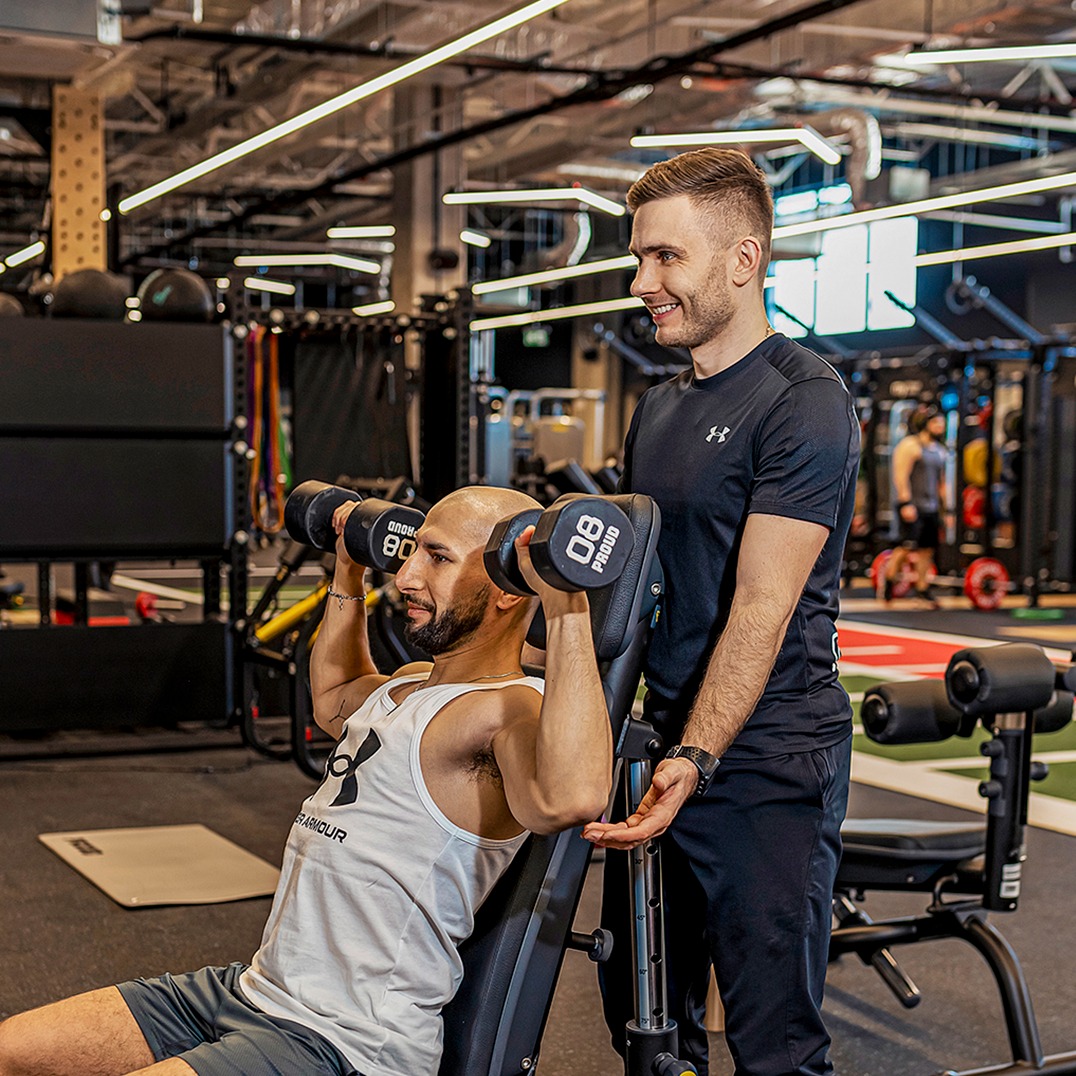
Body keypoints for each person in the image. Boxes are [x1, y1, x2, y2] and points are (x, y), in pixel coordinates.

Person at [0, 485, 613, 1076]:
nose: (406, 578)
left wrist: (565, 599)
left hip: (344, 1040)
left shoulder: (510, 708)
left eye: (438, 558)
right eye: (415, 549)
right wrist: (347, 573)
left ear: (508, 588)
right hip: (250, 991)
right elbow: (334, 696)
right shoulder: (409, 684)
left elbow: (572, 797)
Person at [583, 147, 860, 1076]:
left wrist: (693, 759)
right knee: (644, 1018)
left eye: (665, 257)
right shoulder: (658, 409)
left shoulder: (804, 403)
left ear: (742, 261)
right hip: (663, 744)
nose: (641, 281)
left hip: (766, 757)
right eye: (639, 257)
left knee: (775, 1045)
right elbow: (643, 590)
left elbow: (762, 607)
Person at [881, 404, 950, 608]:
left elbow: (942, 482)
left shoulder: (939, 451)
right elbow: (900, 476)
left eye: (942, 424)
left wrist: (947, 510)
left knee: (926, 550)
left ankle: (922, 588)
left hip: (931, 506)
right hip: (912, 505)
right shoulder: (910, 445)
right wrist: (905, 503)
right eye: (936, 423)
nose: (940, 427)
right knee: (905, 547)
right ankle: (889, 582)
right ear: (925, 424)